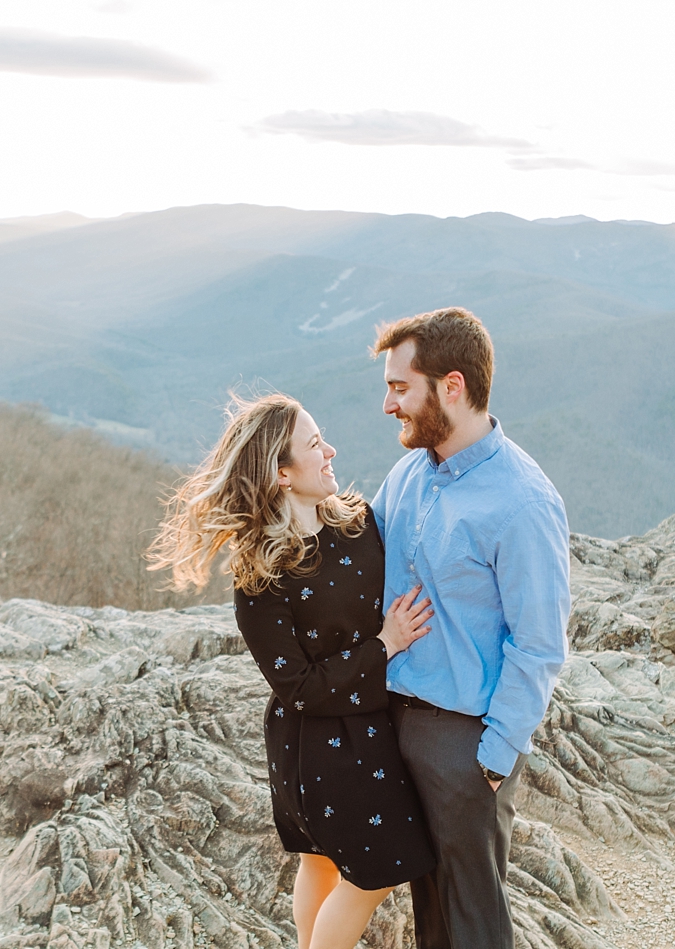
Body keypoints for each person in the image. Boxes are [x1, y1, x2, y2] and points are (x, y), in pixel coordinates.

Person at [148, 393, 438, 949]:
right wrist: (385, 644)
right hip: (319, 745)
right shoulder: (260, 576)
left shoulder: (358, 522)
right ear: (281, 474)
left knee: (323, 864)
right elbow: (298, 686)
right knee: (375, 875)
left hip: (371, 727)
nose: (330, 451)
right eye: (313, 446)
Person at [371, 307, 571, 949]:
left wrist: (493, 756)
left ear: (450, 387)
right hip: (396, 720)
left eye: (401, 387)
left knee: (474, 919)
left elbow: (539, 643)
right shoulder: (407, 473)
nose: (388, 405)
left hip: (466, 742)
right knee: (429, 907)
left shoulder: (523, 502)